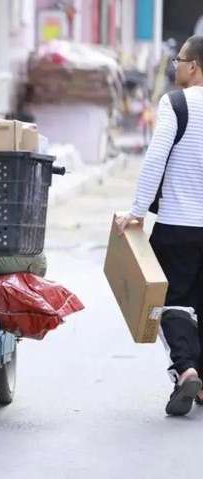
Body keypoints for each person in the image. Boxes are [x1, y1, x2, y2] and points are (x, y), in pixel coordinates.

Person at [117, 35, 203, 416]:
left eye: (179, 61)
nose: (176, 68)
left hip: (178, 224)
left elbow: (156, 159)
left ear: (194, 66)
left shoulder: (177, 103)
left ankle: (187, 372)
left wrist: (137, 210)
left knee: (172, 303)